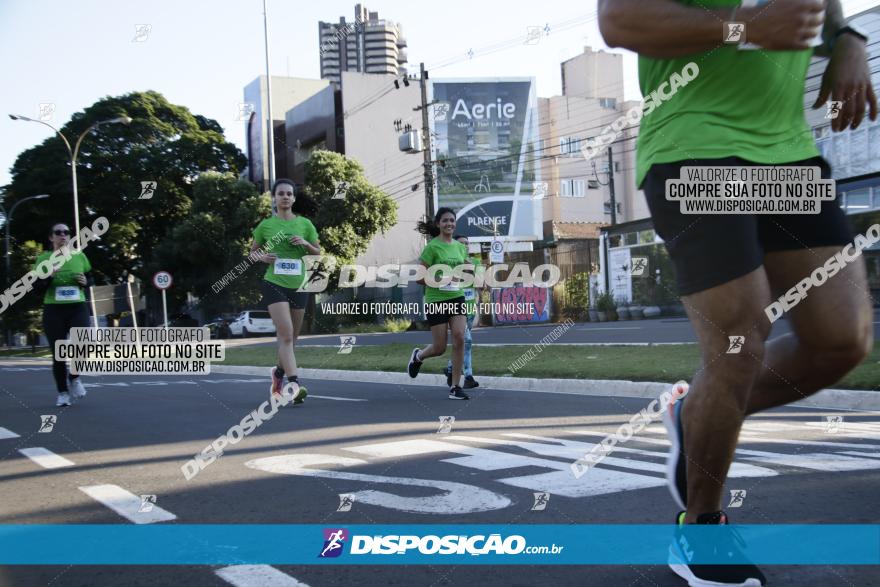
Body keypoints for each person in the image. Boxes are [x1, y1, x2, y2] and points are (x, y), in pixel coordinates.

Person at [599, 1, 875, 585]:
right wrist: (744, 28)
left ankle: (693, 413)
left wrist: (848, 39)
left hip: (788, 154)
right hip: (694, 147)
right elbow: (619, 20)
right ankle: (701, 526)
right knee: (738, 347)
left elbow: (822, 11)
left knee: (841, 340)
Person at [249, 178, 319, 405]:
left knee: (292, 339)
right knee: (286, 335)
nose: (285, 197)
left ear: (294, 198)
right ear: (274, 198)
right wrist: (263, 257)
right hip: (274, 283)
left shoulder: (305, 224)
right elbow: (252, 254)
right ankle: (294, 384)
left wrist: (305, 245)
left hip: (299, 284)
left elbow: (317, 253)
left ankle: (277, 374)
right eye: (281, 193)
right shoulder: (265, 226)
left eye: (289, 193)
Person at [407, 208, 471, 400]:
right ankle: (418, 356)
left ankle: (455, 387)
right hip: (436, 300)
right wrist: (439, 280)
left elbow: (468, 270)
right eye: (445, 221)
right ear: (438, 224)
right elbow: (419, 278)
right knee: (440, 347)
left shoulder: (460, 247)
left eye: (452, 220)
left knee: (460, 337)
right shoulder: (432, 248)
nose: (449, 224)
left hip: (457, 297)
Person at [33, 223, 93, 407]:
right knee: (58, 354)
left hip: (78, 307)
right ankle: (62, 393)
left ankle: (74, 378)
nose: (63, 235)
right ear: (51, 237)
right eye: (58, 232)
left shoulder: (79, 255)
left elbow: (91, 279)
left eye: (66, 232)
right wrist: (48, 277)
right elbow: (35, 289)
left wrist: (86, 282)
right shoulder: (43, 259)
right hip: (54, 310)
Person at [443, 234, 481, 389]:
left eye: (467, 243)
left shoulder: (476, 262)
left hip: (470, 309)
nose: (465, 246)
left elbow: (481, 285)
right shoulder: (450, 263)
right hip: (456, 310)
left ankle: (451, 368)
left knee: (461, 343)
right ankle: (469, 376)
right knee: (467, 341)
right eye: (461, 243)